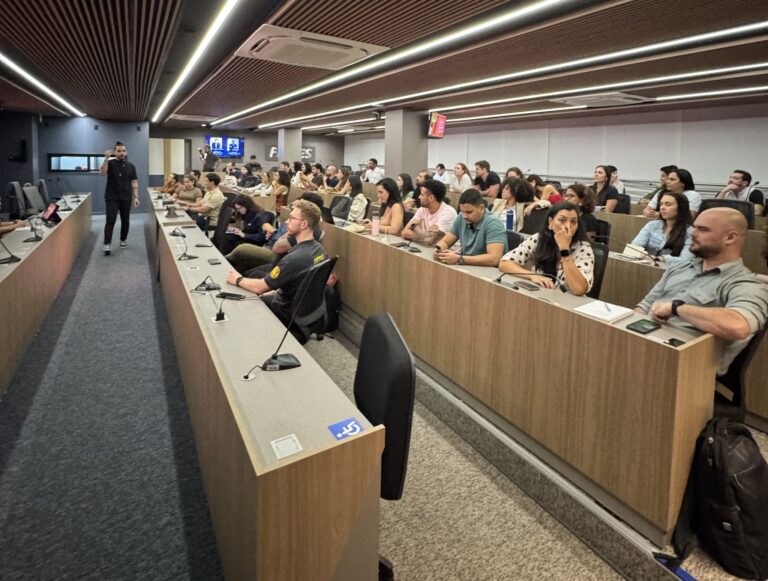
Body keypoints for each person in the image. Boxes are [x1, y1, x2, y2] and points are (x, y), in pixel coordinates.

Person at [635, 208, 768, 375]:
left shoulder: (745, 284)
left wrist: (676, 308)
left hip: (685, 366)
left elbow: (739, 326)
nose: (693, 233)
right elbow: (644, 306)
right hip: (646, 345)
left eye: (703, 229)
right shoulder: (679, 268)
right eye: (695, 227)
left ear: (730, 237)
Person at [226, 199, 327, 326]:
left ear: (303, 224)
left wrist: (237, 279)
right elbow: (298, 284)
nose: (287, 222)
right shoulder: (320, 250)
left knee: (238, 301)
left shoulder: (294, 258)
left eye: (291, 218)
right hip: (302, 309)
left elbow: (259, 287)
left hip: (284, 310)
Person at [499, 202, 594, 295]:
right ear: (550, 222)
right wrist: (532, 276)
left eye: (573, 221)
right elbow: (505, 263)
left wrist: (564, 250)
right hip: (540, 296)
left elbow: (579, 289)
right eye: (562, 220)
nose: (568, 226)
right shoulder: (539, 239)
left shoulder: (583, 248)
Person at [227, 193, 324, 274]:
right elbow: (279, 235)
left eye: (301, 201)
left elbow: (277, 248)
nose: (296, 202)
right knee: (243, 265)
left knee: (242, 249)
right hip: (271, 245)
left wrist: (279, 236)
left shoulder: (307, 229)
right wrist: (274, 233)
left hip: (275, 255)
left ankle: (225, 260)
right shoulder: (298, 220)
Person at [434, 188, 507, 266]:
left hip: (487, 270)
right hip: (467, 266)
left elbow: (494, 259)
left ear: (481, 208)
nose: (465, 216)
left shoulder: (494, 223)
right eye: (462, 211)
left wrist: (459, 259)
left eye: (469, 212)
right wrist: (439, 250)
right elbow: (446, 241)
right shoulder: (461, 217)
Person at [630, 192, 694, 264]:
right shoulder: (652, 225)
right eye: (661, 204)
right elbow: (635, 247)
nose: (662, 207)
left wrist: (659, 259)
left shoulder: (691, 232)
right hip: (646, 265)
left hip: (671, 269)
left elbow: (686, 260)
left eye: (668, 204)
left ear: (681, 208)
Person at [99, 141, 139, 255]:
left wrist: (136, 197)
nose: (121, 153)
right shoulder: (110, 163)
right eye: (119, 151)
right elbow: (102, 173)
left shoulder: (131, 166)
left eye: (123, 151)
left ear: (126, 152)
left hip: (126, 197)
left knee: (125, 220)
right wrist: (106, 159)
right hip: (112, 197)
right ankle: (107, 243)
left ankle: (123, 240)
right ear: (115, 152)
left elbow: (134, 182)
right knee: (110, 219)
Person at [401, 179, 457, 247]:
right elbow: (404, 232)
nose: (419, 197)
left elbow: (429, 240)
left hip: (446, 251)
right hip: (426, 248)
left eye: (422, 195)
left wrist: (415, 227)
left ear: (431, 198)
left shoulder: (448, 213)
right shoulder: (422, 209)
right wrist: (425, 234)